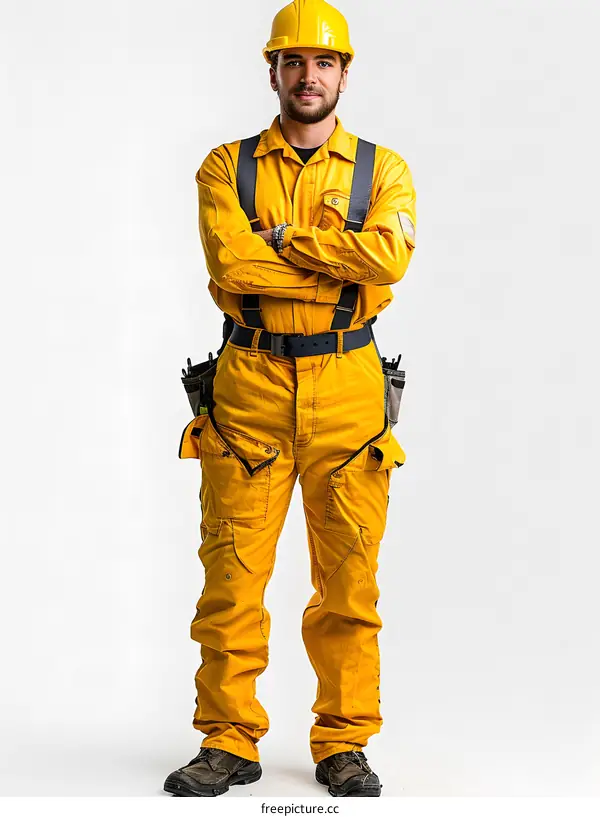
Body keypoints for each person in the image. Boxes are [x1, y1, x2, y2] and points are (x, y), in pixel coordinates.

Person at [164, 0, 417, 799]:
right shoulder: (223, 166)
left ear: (345, 73)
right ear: (272, 71)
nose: (309, 76)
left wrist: (285, 240)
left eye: (324, 62)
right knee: (232, 576)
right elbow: (233, 269)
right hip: (250, 388)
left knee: (349, 581)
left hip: (349, 388)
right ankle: (228, 740)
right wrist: (340, 262)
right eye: (293, 62)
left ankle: (344, 742)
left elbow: (390, 263)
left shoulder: (387, 170)